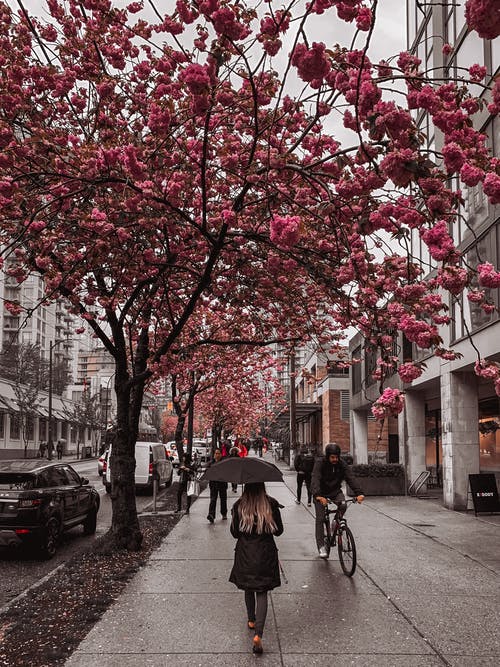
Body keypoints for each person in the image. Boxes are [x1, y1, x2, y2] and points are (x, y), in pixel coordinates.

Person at [229, 482, 284, 655]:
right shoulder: (270, 503)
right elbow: (279, 531)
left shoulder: (239, 505)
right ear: (262, 486)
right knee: (262, 591)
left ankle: (251, 620)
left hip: (246, 552)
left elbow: (235, 533)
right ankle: (258, 634)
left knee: (248, 586)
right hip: (265, 552)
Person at [311, 443, 365, 558]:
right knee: (320, 519)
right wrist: (318, 496)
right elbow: (315, 478)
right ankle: (321, 546)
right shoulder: (320, 463)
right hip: (320, 493)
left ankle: (335, 522)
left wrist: (359, 493)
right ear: (328, 456)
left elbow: (351, 478)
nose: (335, 459)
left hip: (335, 491)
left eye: (336, 457)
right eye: (332, 457)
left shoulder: (342, 464)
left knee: (343, 505)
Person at [207, 449, 228, 523]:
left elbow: (226, 473)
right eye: (216, 453)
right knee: (213, 499)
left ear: (221, 454)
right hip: (213, 484)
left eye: (218, 453)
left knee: (223, 499)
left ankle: (224, 513)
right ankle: (211, 515)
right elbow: (207, 472)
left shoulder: (224, 463)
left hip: (222, 483)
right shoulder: (211, 463)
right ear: (214, 455)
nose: (217, 455)